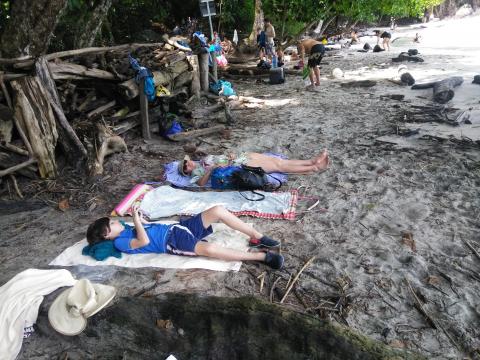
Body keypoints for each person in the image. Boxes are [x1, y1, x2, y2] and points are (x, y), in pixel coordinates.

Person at [86, 205, 284, 269]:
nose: (116, 222)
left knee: (217, 210)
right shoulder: (120, 242)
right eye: (111, 224)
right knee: (209, 250)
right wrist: (136, 221)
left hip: (178, 228)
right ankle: (261, 256)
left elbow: (146, 229)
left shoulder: (125, 229)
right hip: (172, 242)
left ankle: (257, 236)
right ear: (107, 235)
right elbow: (144, 241)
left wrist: (142, 219)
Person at [179, 150, 329, 186]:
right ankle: (314, 167)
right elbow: (201, 184)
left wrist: (229, 154)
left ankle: (311, 161)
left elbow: (220, 158)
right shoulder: (196, 174)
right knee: (278, 165)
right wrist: (211, 169)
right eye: (185, 167)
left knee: (275, 159)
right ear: (186, 172)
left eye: (186, 162)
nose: (188, 164)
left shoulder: (201, 160)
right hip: (236, 166)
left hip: (237, 158)